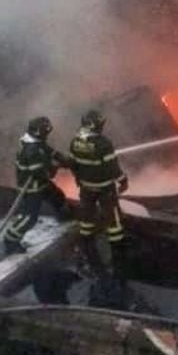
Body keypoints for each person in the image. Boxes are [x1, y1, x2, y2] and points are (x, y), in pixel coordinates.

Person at [4, 116, 72, 254]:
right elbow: (40, 173)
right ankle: (11, 241)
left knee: (57, 197)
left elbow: (50, 151)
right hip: (31, 188)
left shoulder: (36, 142)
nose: (48, 134)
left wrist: (65, 160)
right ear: (39, 132)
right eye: (46, 131)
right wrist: (56, 167)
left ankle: (64, 216)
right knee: (30, 218)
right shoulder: (32, 150)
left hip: (41, 184)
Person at [68, 110, 128, 259]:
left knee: (87, 217)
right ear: (93, 125)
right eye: (100, 124)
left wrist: (79, 179)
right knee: (113, 219)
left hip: (86, 188)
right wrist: (123, 180)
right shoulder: (103, 143)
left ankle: (87, 247)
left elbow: (72, 164)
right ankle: (118, 251)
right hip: (105, 188)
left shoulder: (75, 142)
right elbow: (112, 167)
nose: (102, 126)